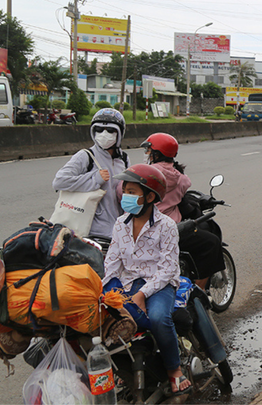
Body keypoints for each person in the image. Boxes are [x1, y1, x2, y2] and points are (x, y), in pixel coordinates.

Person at [103, 164, 192, 395]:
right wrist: (108, 292)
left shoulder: (167, 226)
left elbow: (167, 268)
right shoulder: (120, 224)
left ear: (150, 196)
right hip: (128, 283)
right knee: (102, 320)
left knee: (159, 318)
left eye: (133, 192)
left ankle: (174, 369)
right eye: (125, 190)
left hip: (160, 283)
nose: (126, 196)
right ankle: (120, 373)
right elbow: (112, 264)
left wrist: (142, 294)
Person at [141, 133, 224, 290]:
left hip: (144, 229)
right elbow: (185, 186)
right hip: (172, 230)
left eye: (148, 152)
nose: (147, 155)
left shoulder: (144, 174)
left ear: (156, 154)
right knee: (211, 243)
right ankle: (197, 293)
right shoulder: (180, 178)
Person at [53, 108, 130, 238]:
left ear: (120, 134)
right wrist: (95, 179)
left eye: (111, 130)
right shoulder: (85, 156)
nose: (104, 134)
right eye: (99, 130)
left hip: (118, 231)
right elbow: (59, 181)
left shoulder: (123, 159)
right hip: (91, 230)